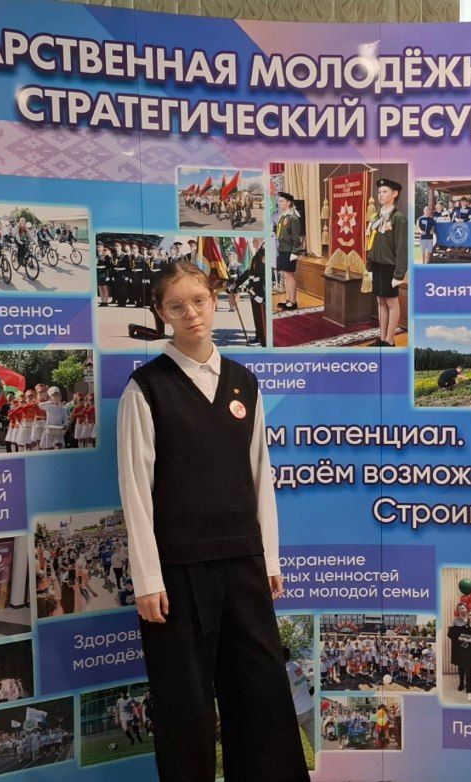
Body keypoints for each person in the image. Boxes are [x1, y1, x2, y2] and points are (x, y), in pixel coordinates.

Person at [117, 261, 309, 782]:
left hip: (243, 563)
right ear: (162, 313)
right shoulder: (146, 389)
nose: (192, 314)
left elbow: (260, 476)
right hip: (177, 574)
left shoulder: (244, 383)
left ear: (215, 299)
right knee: (186, 705)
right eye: (177, 306)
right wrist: (147, 578)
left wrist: (270, 559)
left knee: (262, 697)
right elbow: (135, 493)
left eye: (199, 300)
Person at [367, 178, 408, 347]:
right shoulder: (376, 217)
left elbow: (402, 248)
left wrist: (399, 274)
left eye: (384, 191)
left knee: (391, 302)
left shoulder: (399, 218)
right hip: (377, 265)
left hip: (390, 267)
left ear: (394, 194)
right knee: (380, 302)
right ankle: (382, 338)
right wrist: (369, 266)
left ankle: (390, 340)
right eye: (379, 192)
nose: (380, 195)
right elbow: (370, 243)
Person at [274, 192, 304, 311]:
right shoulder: (283, 217)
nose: (279, 203)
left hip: (289, 250)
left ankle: (293, 301)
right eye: (279, 201)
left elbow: (297, 237)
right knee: (285, 275)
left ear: (288, 202)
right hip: (282, 249)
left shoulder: (293, 217)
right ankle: (288, 299)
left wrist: (294, 252)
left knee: (289, 275)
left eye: (282, 201)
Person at [447, 609, 471, 702]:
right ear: (468, 616)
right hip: (467, 655)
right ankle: (469, 692)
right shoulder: (464, 627)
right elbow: (453, 635)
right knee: (468, 675)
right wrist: (450, 627)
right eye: (470, 615)